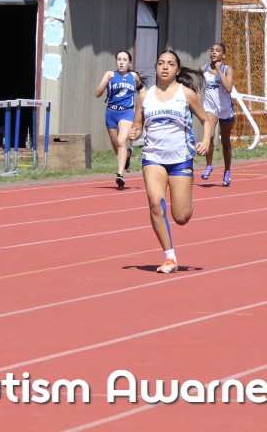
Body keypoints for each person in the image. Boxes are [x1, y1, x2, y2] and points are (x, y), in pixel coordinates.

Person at [128, 50, 212, 274]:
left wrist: (205, 140)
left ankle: (186, 200)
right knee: (155, 203)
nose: (165, 67)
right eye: (161, 63)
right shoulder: (145, 97)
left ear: (177, 69)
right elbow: (138, 125)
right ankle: (170, 257)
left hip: (180, 159)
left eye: (170, 64)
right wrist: (135, 132)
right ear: (156, 67)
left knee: (181, 217)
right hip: (153, 158)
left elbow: (206, 121)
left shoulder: (187, 94)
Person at [94, 50, 143, 189]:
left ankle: (120, 175)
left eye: (124, 60)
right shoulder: (110, 74)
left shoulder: (133, 76)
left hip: (126, 113)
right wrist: (106, 80)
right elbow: (97, 94)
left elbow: (142, 89)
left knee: (121, 141)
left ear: (129, 63)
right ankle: (127, 154)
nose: (121, 62)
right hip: (111, 112)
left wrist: (145, 99)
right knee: (117, 146)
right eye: (119, 59)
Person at [200, 42, 235, 187]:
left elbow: (228, 88)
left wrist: (220, 70)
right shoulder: (203, 69)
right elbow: (198, 81)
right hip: (210, 108)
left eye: (218, 50)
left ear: (223, 55)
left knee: (225, 141)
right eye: (212, 50)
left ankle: (227, 171)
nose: (214, 52)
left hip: (225, 109)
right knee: (209, 136)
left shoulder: (227, 69)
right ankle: (209, 165)